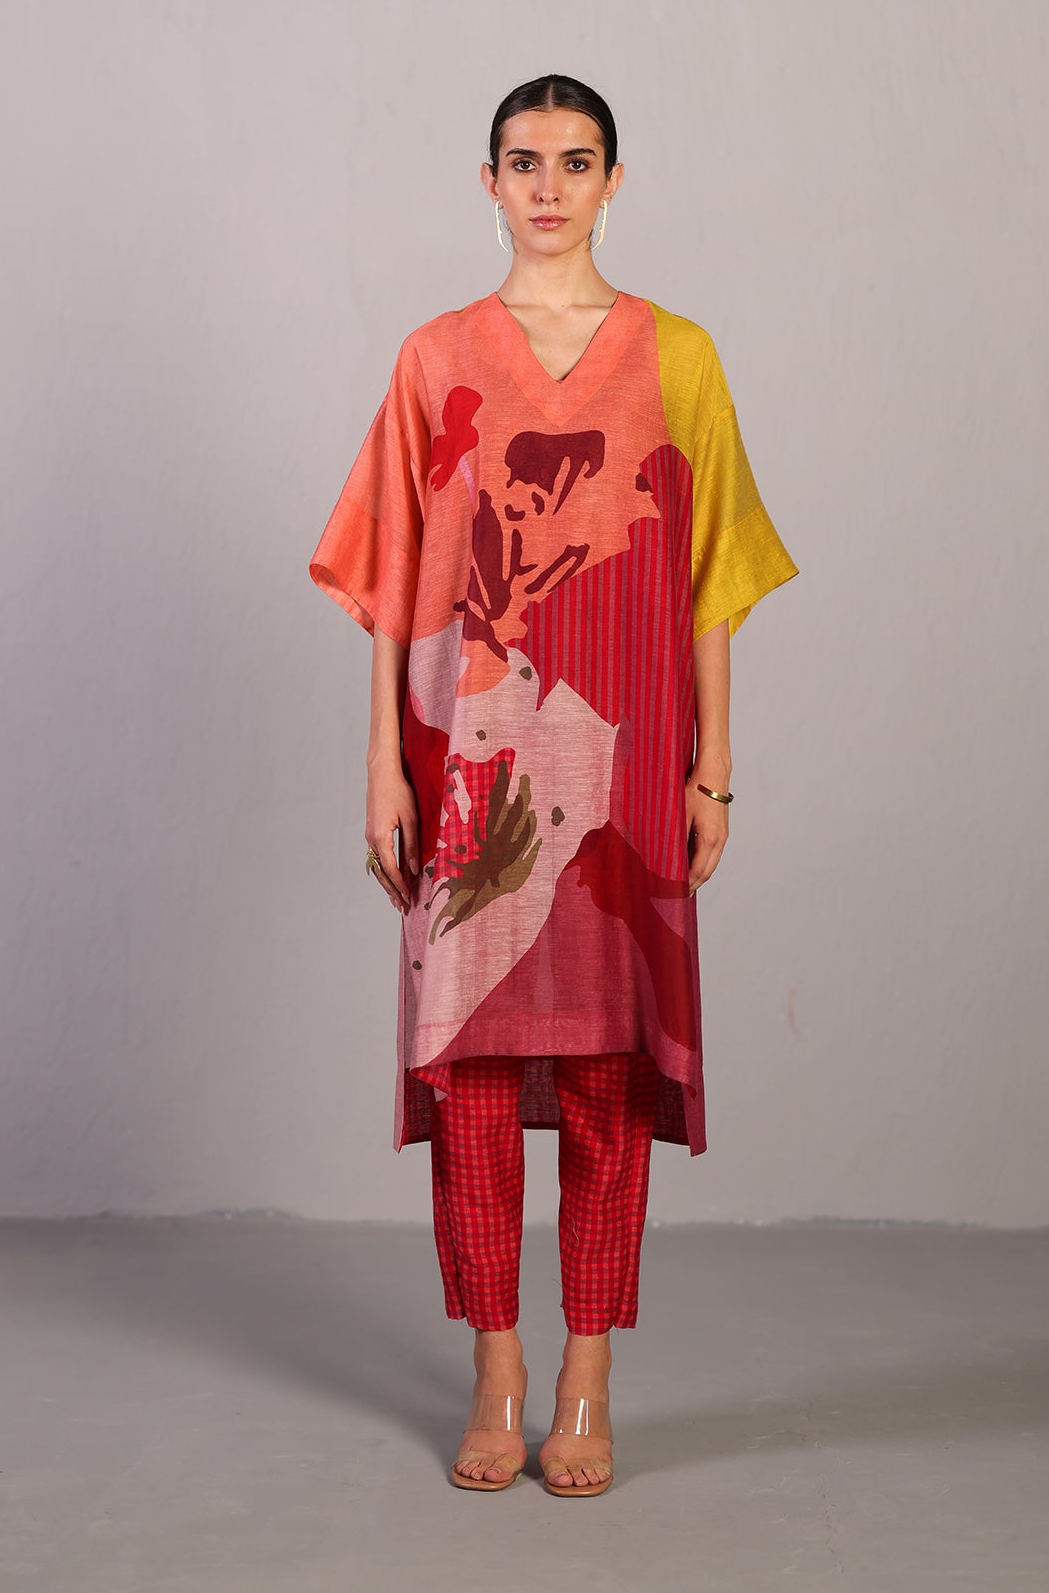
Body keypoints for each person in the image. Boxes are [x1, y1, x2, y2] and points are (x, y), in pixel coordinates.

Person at [309, 74, 798, 1495]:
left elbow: (711, 575)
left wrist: (716, 762)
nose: (548, 188)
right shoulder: (435, 358)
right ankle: (497, 1365)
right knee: (470, 1072)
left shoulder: (679, 357)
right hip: (466, 770)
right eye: (523, 162)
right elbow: (393, 580)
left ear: (613, 182)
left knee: (605, 1069)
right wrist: (380, 767)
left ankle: (586, 1373)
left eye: (576, 163)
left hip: (627, 767)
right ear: (488, 181)